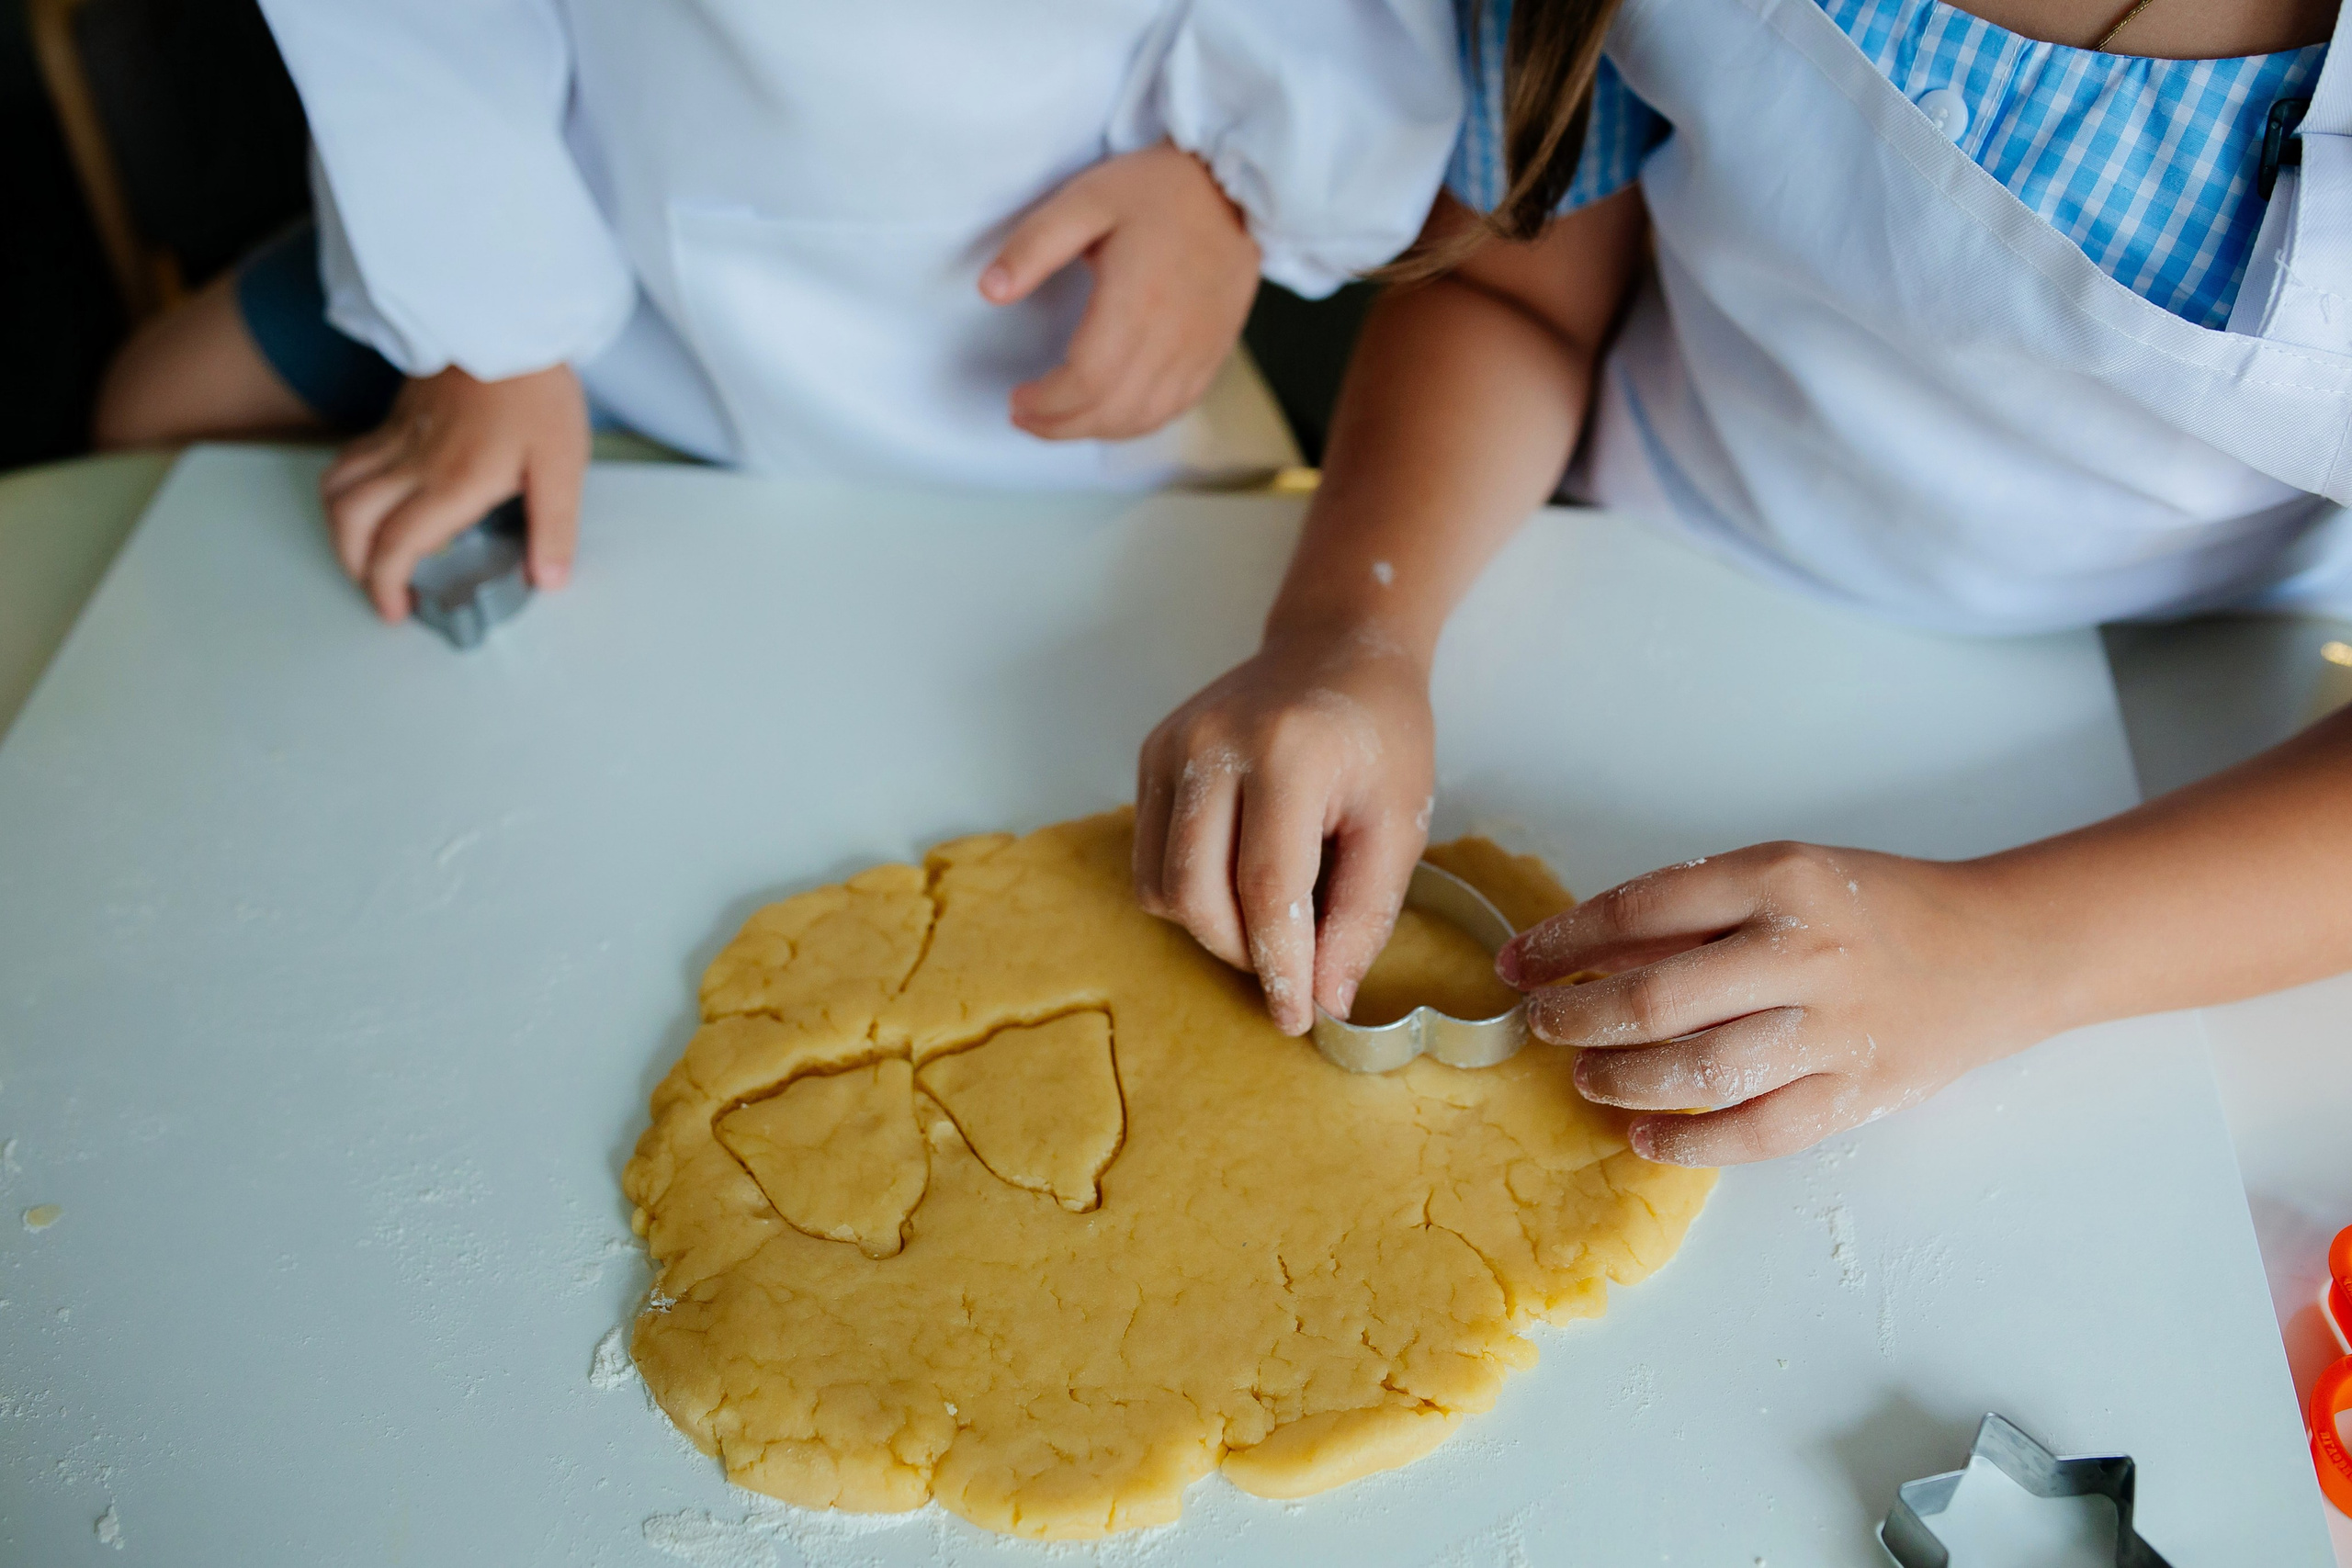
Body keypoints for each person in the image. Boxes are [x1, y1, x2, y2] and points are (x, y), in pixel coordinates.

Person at [1135, 0, 2352, 1168]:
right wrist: (1353, 628)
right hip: (1616, 550)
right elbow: (1512, 291)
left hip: (2189, 743)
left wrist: (2004, 950)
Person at [93, 1, 1461, 622]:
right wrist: (482, 333)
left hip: (1060, 307)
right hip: (568, 223)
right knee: (154, 414)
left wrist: (1229, 186)